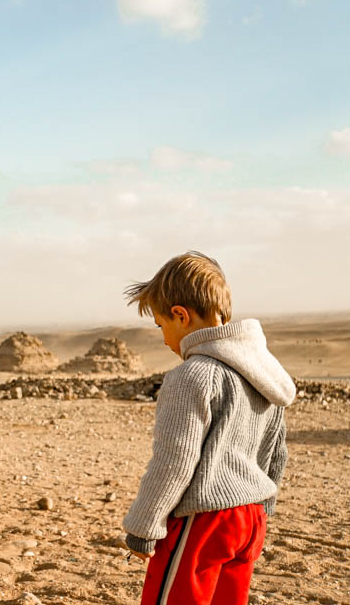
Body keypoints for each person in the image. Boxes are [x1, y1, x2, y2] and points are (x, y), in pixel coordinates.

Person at [120, 252, 294, 605]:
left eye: (160, 325)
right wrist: (265, 502)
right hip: (250, 518)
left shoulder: (192, 376)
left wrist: (143, 529)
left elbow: (174, 461)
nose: (165, 338)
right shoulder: (263, 371)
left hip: (204, 520)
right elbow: (276, 448)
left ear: (180, 315)